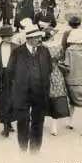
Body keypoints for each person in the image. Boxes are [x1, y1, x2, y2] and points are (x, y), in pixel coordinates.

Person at [7, 25, 52, 154]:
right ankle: (22, 148)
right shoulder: (17, 52)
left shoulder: (44, 51)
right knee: (23, 120)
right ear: (29, 38)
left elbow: (49, 68)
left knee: (38, 121)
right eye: (37, 37)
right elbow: (10, 71)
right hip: (22, 93)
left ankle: (35, 149)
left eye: (39, 37)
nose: (39, 39)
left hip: (40, 92)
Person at [42, 30, 70, 137]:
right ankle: (54, 126)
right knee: (56, 98)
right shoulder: (58, 47)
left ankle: (41, 119)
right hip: (55, 73)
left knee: (42, 97)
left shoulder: (41, 48)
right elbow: (62, 59)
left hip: (43, 73)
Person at [0, 25, 18, 137]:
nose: (9, 38)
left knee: (12, 101)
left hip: (13, 77)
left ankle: (9, 122)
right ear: (2, 37)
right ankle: (6, 126)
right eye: (6, 36)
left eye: (10, 36)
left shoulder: (16, 47)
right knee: (3, 101)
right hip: (0, 77)